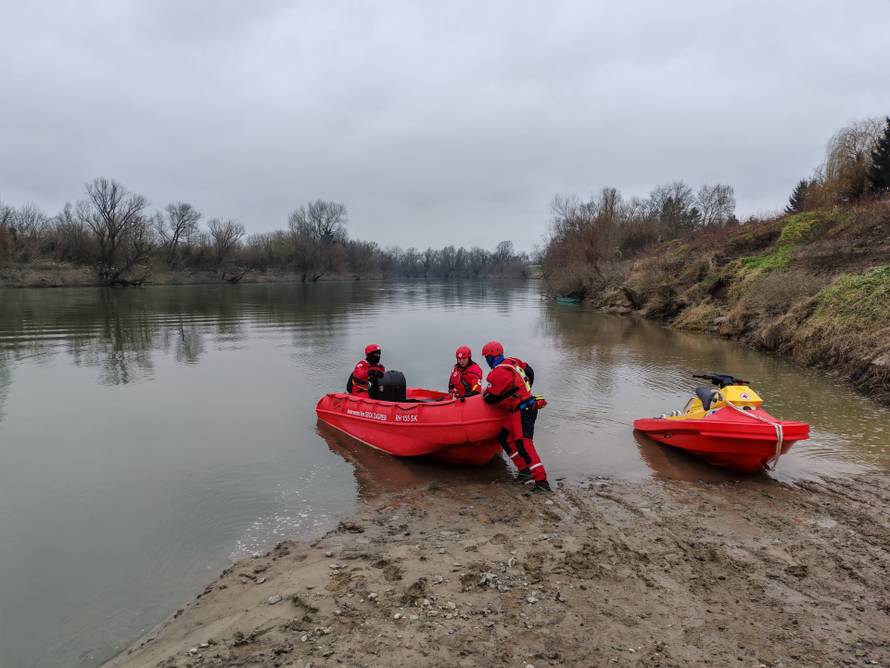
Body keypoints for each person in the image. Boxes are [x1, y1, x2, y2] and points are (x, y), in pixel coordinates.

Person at [481, 340, 551, 493]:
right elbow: (530, 371)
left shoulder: (498, 373)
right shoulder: (513, 361)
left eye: (486, 358)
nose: (486, 361)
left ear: (490, 358)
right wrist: (523, 391)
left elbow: (490, 398)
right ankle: (525, 471)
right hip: (520, 408)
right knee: (505, 437)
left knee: (524, 445)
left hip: (523, 410)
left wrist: (487, 393)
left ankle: (541, 482)